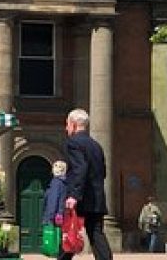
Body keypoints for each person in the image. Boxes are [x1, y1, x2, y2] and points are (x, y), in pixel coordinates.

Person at [63, 108, 112, 260]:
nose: (66, 128)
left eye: (67, 124)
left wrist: (73, 195)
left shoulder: (73, 143)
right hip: (97, 197)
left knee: (70, 230)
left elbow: (79, 168)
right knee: (96, 233)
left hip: (81, 197)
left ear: (73, 124)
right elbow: (103, 172)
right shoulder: (96, 145)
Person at [42, 160, 70, 260]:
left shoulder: (56, 182)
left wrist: (49, 217)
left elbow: (53, 201)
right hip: (62, 215)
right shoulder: (65, 182)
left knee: (56, 241)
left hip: (55, 217)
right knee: (61, 240)